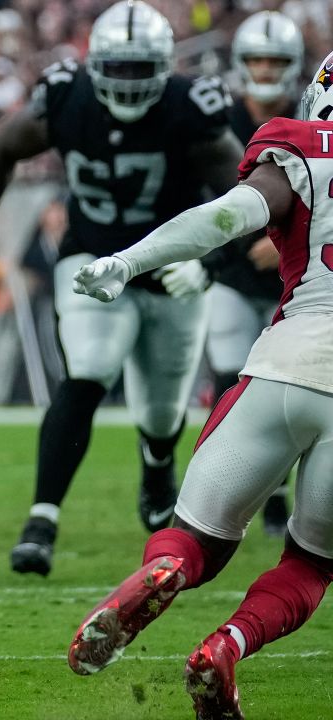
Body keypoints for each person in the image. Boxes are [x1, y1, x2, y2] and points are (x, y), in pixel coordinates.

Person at [66, 50, 333, 720]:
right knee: (309, 565)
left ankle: (171, 572)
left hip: (285, 363)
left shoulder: (302, 150)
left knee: (197, 537)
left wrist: (127, 261)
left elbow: (221, 219)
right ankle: (227, 646)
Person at [0, 0, 243, 576]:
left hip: (169, 268)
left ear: (163, 67)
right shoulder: (67, 97)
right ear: (95, 65)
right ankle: (41, 521)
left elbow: (243, 199)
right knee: (89, 368)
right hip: (92, 257)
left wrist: (210, 267)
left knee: (162, 413)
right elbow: (4, 148)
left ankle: (157, 463)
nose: (130, 82)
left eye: (143, 69)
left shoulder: (191, 108)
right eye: (120, 67)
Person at [201, 10, 304, 537]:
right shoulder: (218, 119)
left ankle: (280, 490)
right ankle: (224, 490)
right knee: (228, 377)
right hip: (235, 272)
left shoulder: (313, 116)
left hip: (301, 279)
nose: (265, 68)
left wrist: (284, 240)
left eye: (276, 60)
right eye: (258, 59)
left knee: (292, 387)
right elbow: (203, 198)